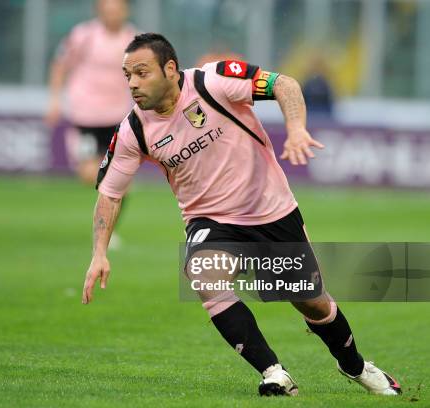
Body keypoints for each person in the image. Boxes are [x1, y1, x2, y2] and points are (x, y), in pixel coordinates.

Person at [81, 33, 401, 397]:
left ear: (170, 68)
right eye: (127, 76)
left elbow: (285, 84)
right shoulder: (133, 129)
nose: (133, 84)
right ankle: (273, 372)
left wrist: (296, 129)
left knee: (311, 299)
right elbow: (110, 193)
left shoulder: (212, 81)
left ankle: (355, 366)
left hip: (272, 210)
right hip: (210, 220)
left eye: (141, 73)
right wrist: (99, 252)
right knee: (204, 275)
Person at [45, 0, 136, 185]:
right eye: (108, 10)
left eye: (117, 10)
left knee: (118, 175)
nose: (113, 15)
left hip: (117, 116)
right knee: (88, 173)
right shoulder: (83, 35)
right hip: (85, 116)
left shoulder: (134, 39)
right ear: (99, 11)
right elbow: (60, 65)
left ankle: (111, 203)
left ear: (126, 11)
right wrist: (54, 101)